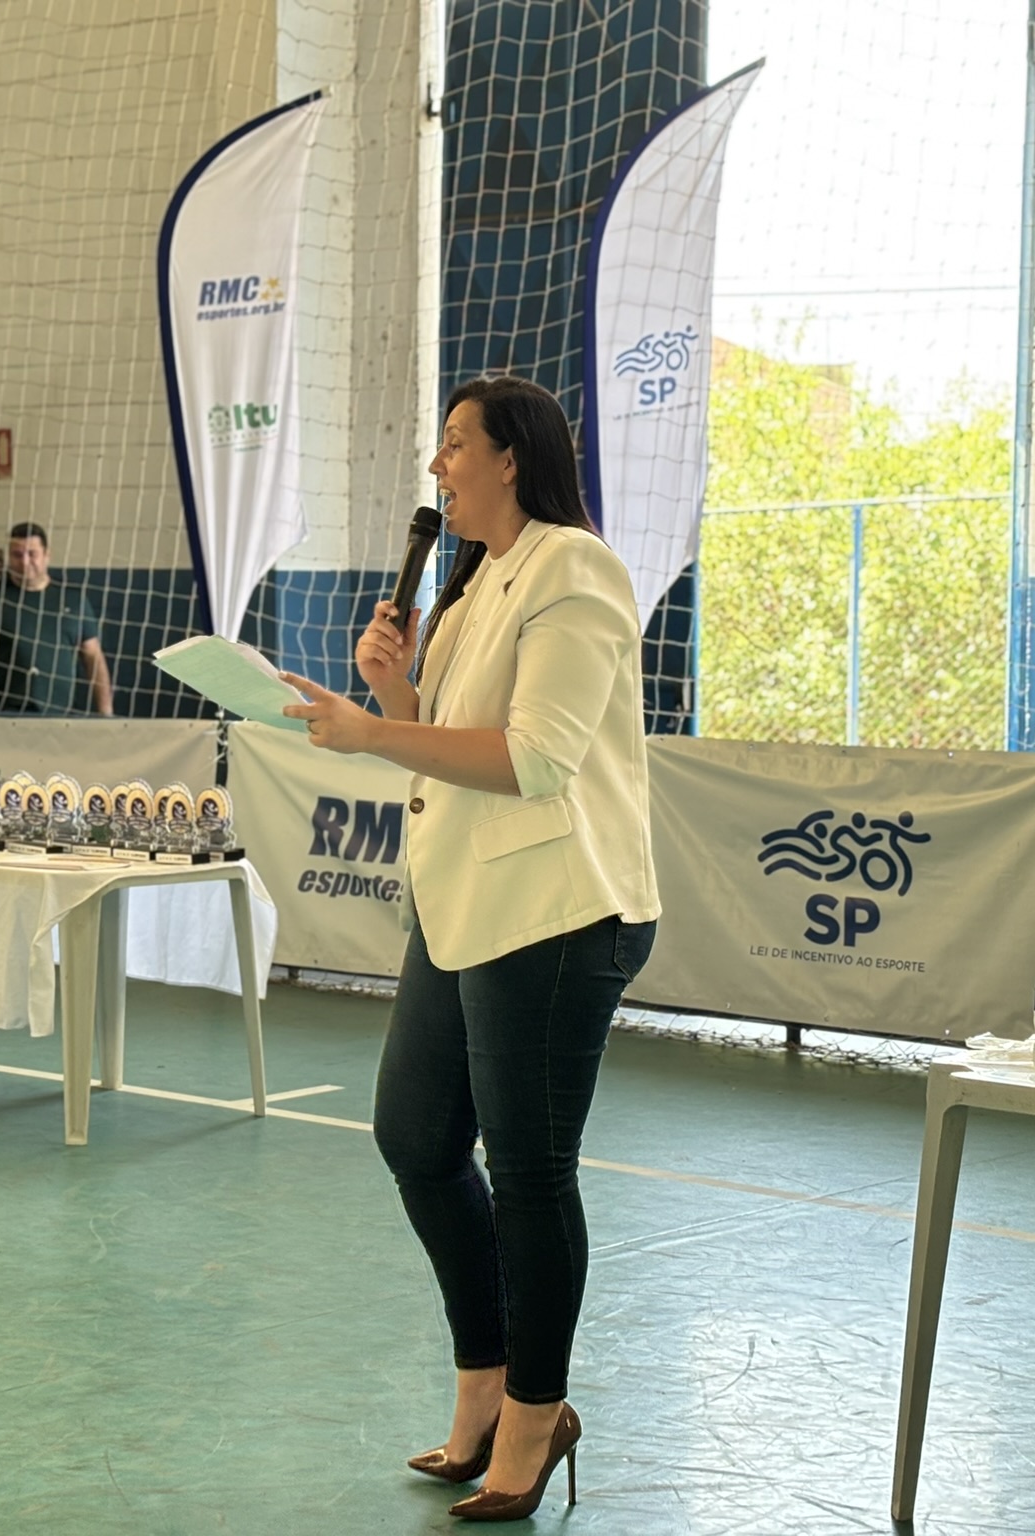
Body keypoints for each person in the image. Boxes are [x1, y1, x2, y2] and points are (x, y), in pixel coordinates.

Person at [281, 376, 660, 1523]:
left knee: (530, 1174)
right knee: (414, 1138)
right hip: (463, 905)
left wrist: (372, 730)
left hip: (556, 911)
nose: (436, 466)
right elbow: (440, 744)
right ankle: (485, 1382)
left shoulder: (572, 570)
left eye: (454, 445)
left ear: (509, 458)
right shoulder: (470, 583)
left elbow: (534, 759)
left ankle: (535, 1417)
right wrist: (392, 690)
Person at [0, 523, 113, 715]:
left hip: (59, 716)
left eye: (32, 554)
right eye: (17, 555)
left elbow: (93, 657)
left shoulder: (74, 601)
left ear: (46, 555)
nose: (24, 562)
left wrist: (106, 712)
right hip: (5, 714)